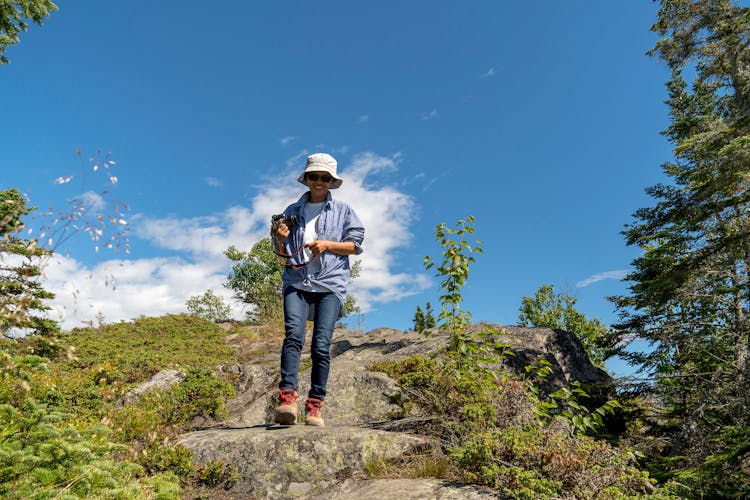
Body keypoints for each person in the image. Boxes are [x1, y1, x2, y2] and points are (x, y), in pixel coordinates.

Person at [271, 152, 364, 426]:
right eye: (314, 176)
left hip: (330, 284)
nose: (319, 182)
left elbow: (355, 245)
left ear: (331, 181)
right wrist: (279, 239)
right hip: (296, 281)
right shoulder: (291, 211)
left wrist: (327, 245)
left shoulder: (344, 210)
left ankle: (314, 407)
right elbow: (280, 254)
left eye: (325, 178)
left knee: (321, 346)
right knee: (293, 337)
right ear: (307, 179)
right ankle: (287, 400)